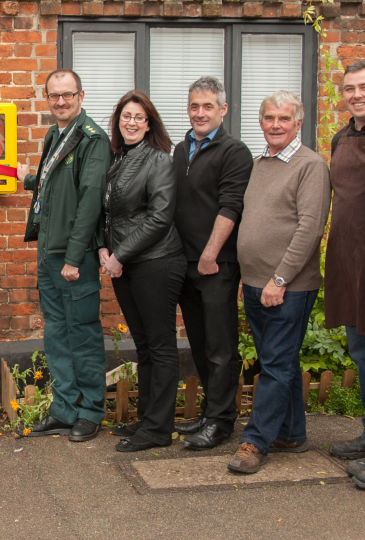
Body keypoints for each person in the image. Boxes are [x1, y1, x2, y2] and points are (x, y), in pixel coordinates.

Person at [228, 91, 330, 474]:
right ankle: (291, 433)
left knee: (273, 364)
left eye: (284, 119)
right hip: (256, 283)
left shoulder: (311, 166)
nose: (275, 125)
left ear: (299, 123)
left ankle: (255, 441)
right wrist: (252, 278)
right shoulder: (260, 164)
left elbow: (309, 228)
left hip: (289, 286)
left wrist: (279, 278)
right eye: (269, 117)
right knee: (281, 361)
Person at [17, 69, 111, 443]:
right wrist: (29, 180)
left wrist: (73, 258)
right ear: (47, 98)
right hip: (48, 253)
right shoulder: (55, 135)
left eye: (67, 95)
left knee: (83, 335)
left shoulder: (92, 140)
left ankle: (90, 412)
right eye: (54, 96)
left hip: (75, 259)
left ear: (80, 96)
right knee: (57, 334)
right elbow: (52, 182)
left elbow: (89, 201)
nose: (60, 101)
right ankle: (64, 409)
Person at [99, 91, 185, 452]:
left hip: (157, 262)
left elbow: (159, 217)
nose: (131, 122)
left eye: (139, 117)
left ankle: (158, 430)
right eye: (125, 116)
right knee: (145, 346)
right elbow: (109, 212)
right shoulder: (118, 159)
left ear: (149, 124)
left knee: (161, 346)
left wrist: (119, 255)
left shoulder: (158, 160)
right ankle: (146, 421)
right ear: (118, 122)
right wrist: (104, 247)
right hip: (126, 264)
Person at [173, 76, 254, 450]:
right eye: (194, 106)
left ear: (223, 109)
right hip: (185, 264)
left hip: (216, 264)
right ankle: (210, 412)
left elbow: (231, 206)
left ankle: (222, 422)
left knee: (221, 347)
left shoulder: (234, 152)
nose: (200, 113)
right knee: (202, 343)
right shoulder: (180, 150)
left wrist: (209, 254)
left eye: (208, 106)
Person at [325, 60, 365, 482]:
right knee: (359, 351)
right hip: (349, 259)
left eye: (363, 87)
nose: (357, 94)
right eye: (350, 88)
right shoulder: (341, 137)